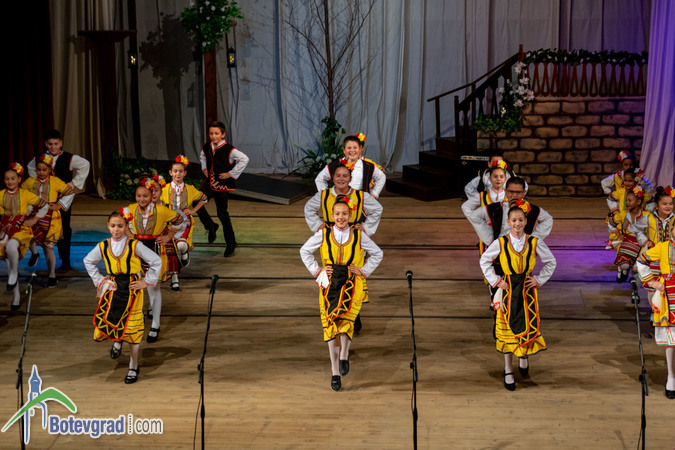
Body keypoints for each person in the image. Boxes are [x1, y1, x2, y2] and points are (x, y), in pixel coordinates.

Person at [300, 196, 383, 392]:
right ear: (331, 215)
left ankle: (345, 354)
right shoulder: (323, 234)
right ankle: (335, 372)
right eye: (337, 213)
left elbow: (378, 253)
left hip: (351, 283)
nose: (341, 217)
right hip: (329, 284)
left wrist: (362, 270)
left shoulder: (358, 235)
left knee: (346, 323)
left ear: (350, 215)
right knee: (330, 327)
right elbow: (304, 251)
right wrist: (318, 270)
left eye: (344, 213)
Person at [479, 205, 556, 391]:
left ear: (526, 221)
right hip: (508, 290)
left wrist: (538, 279)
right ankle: (508, 369)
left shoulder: (534, 242)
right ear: (508, 222)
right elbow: (484, 260)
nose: (517, 224)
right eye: (514, 220)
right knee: (507, 330)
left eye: (520, 220)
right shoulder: (501, 242)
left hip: (526, 291)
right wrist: (496, 281)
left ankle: (523, 354)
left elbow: (551, 262)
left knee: (526, 324)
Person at [83, 211, 162, 384]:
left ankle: (133, 365)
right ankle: (118, 342)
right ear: (108, 226)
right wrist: (100, 280)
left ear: (126, 226)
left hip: (132, 288)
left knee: (132, 328)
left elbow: (156, 261)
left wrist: (146, 282)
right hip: (114, 288)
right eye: (113, 226)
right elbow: (88, 261)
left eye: (120, 226)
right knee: (116, 320)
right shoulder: (103, 245)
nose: (116, 229)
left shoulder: (134, 245)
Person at [125, 181, 183, 343]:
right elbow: (120, 222)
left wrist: (168, 236)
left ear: (152, 196)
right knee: (136, 286)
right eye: (138, 196)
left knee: (153, 287)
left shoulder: (162, 211)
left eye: (145, 196)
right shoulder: (130, 209)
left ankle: (155, 324)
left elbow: (180, 220)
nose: (141, 199)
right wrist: (130, 236)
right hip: (136, 251)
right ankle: (137, 318)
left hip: (153, 252)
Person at [27, 129, 90, 272]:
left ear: (60, 143)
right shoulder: (40, 157)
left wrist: (73, 183)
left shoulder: (69, 158)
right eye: (50, 144)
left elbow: (85, 164)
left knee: (64, 229)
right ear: (46, 144)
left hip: (63, 200)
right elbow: (30, 167)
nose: (53, 147)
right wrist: (37, 183)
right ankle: (42, 257)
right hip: (46, 201)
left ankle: (65, 262)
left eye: (56, 144)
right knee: (41, 227)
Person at [195, 121, 249, 257]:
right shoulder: (207, 147)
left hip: (222, 185)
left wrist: (231, 174)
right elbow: (203, 157)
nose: (213, 136)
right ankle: (210, 225)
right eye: (211, 133)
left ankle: (231, 242)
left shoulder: (229, 149)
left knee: (222, 213)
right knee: (196, 202)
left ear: (223, 134)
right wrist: (204, 169)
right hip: (209, 183)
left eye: (216, 133)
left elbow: (244, 159)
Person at [21, 154, 75, 287]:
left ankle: (52, 275)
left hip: (50, 218)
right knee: (26, 235)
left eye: (44, 170)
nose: (41, 172)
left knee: (48, 248)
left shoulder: (55, 181)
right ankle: (34, 253)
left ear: (50, 169)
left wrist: (59, 205)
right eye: (39, 170)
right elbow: (21, 193)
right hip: (34, 215)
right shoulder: (30, 181)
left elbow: (70, 191)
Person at [635, 223, 675, 399]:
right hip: (670, 295)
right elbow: (641, 260)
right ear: (672, 229)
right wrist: (651, 282)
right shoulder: (663, 247)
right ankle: (671, 377)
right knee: (672, 338)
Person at [1, 163, 47, 309]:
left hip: (21, 229)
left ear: (19, 179)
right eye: (7, 179)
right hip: (5, 229)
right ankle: (16, 296)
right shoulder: (1, 195)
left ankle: (15, 273)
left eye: (13, 178)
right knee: (8, 262)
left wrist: (34, 220)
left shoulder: (25, 194)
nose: (10, 182)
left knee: (11, 246)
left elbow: (44, 205)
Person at [161, 156, 208, 290]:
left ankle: (184, 251)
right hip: (168, 222)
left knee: (181, 245)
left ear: (185, 173)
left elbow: (204, 198)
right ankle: (174, 278)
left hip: (184, 221)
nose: (178, 174)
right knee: (170, 250)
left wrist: (193, 210)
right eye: (175, 171)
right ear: (170, 172)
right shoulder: (164, 189)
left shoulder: (189, 189)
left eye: (181, 171)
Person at [468, 177, 553, 248]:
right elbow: (474, 216)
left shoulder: (532, 209)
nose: (514, 195)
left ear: (524, 193)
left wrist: (534, 239)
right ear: (505, 191)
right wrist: (489, 239)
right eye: (511, 192)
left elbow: (548, 219)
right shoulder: (497, 208)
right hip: (501, 248)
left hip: (523, 248)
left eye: (518, 192)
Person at [304, 164, 383, 236]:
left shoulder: (360, 195)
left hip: (354, 236)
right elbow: (309, 208)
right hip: (329, 235)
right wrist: (318, 226)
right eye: (338, 176)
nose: (341, 179)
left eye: (345, 176)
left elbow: (377, 209)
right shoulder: (323, 195)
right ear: (333, 178)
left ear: (350, 179)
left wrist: (366, 228)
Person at [314, 133, 386, 199]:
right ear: (344, 150)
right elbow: (320, 179)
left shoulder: (367, 166)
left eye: (355, 147)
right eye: (349, 148)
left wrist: (374, 194)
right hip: (339, 202)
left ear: (360, 149)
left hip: (361, 202)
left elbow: (381, 177)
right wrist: (326, 195)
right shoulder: (335, 165)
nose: (352, 150)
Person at [608, 187, 648, 283]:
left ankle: (634, 282)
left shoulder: (646, 216)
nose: (627, 203)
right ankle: (624, 272)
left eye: (630, 200)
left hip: (641, 244)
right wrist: (617, 233)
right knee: (624, 265)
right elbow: (611, 222)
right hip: (627, 241)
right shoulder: (623, 215)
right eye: (626, 200)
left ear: (638, 202)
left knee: (638, 266)